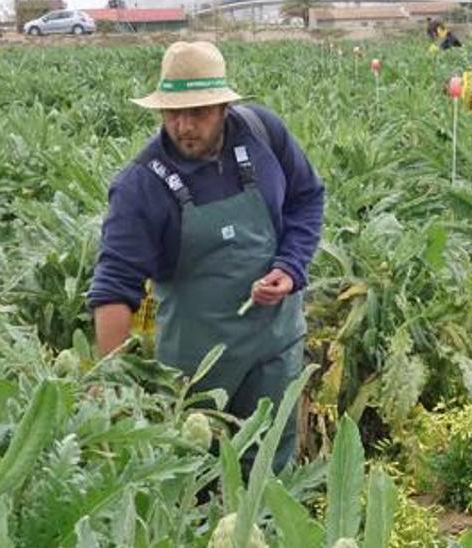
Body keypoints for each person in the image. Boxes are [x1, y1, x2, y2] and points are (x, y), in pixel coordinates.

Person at [87, 41, 325, 473]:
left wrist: (290, 266)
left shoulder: (263, 134)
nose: (183, 126)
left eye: (197, 112)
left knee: (269, 469)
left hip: (276, 346)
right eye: (172, 113)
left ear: (223, 107)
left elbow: (307, 197)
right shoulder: (141, 185)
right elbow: (112, 290)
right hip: (196, 367)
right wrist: (112, 382)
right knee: (188, 478)